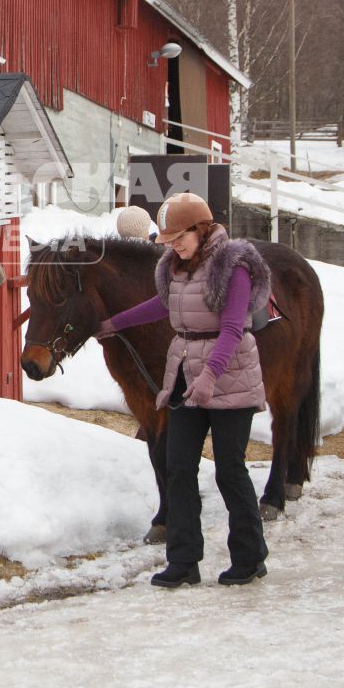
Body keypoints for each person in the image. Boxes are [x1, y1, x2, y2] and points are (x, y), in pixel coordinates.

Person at [95, 192, 269, 588]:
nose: (173, 245)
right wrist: (114, 323)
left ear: (200, 229)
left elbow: (230, 327)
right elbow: (162, 305)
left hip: (230, 375)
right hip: (186, 373)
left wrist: (210, 376)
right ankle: (184, 561)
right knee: (178, 468)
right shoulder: (175, 267)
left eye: (179, 238)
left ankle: (249, 557)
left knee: (229, 470)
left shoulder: (233, 266)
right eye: (169, 240)